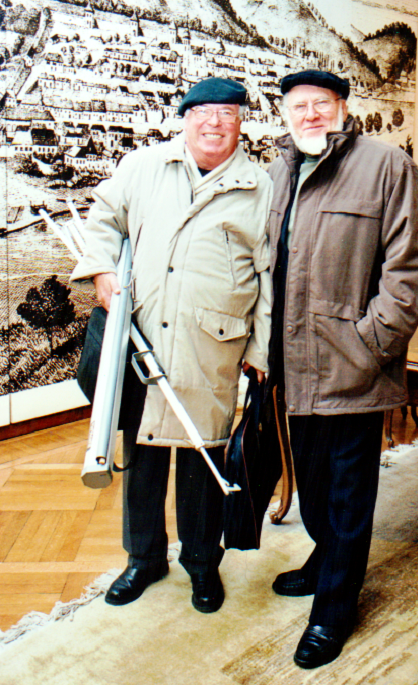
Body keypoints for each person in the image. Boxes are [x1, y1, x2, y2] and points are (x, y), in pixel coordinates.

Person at [70, 77, 272, 614]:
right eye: (203, 112)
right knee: (143, 454)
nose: (214, 123)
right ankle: (143, 559)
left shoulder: (261, 187)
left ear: (240, 122)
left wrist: (260, 351)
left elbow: (270, 277)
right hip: (143, 338)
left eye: (227, 113)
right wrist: (102, 271)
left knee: (203, 457)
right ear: (185, 118)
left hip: (214, 344)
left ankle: (202, 563)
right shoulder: (144, 166)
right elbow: (104, 218)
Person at [267, 69, 418, 669]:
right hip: (293, 364)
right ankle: (325, 559)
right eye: (298, 106)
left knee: (347, 494)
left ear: (343, 107)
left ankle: (334, 610)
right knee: (312, 483)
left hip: (353, 365)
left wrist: (372, 343)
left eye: (321, 103)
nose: (309, 114)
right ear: (286, 114)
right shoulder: (280, 171)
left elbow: (412, 263)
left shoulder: (388, 167)